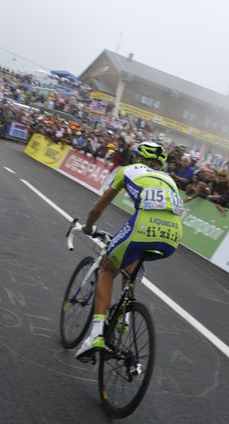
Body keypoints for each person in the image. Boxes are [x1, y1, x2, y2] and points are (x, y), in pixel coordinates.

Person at [76, 141, 183, 362]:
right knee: (130, 262)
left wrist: (88, 227)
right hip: (173, 236)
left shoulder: (127, 171)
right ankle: (124, 318)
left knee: (107, 268)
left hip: (143, 226)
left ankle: (95, 335)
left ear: (136, 157)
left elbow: (97, 208)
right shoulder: (170, 179)